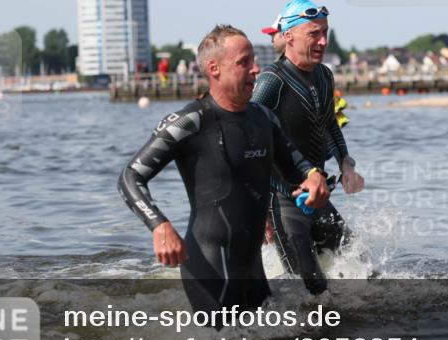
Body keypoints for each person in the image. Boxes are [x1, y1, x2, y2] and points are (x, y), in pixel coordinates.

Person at [118, 25, 329, 315]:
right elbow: (130, 176)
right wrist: (160, 226)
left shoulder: (263, 117)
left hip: (252, 268)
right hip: (209, 268)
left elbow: (297, 167)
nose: (256, 70)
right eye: (244, 62)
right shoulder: (189, 121)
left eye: (254, 60)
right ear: (214, 69)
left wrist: (314, 177)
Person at [251, 0, 365, 295]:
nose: (323, 41)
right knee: (309, 290)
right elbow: (248, 141)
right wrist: (259, 209)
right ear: (288, 36)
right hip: (282, 199)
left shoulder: (324, 75)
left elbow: (329, 126)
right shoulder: (271, 81)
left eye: (325, 32)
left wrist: (346, 166)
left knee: (363, 270)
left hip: (318, 195)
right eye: (313, 33)